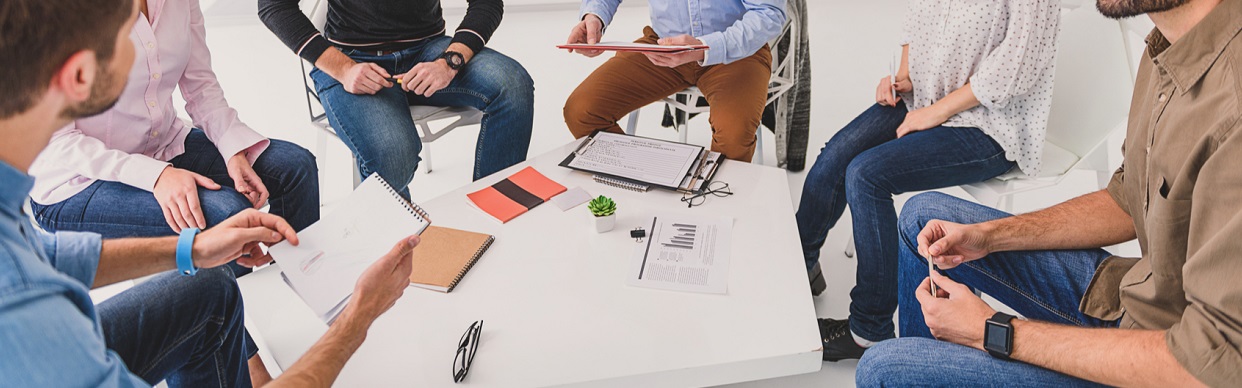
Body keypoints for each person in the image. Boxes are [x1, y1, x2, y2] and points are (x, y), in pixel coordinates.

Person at [0, 1, 421, 386]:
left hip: (163, 143)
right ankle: (253, 360)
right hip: (83, 180)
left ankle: (297, 299)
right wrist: (359, 318)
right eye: (124, 31)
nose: (143, 43)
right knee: (223, 212)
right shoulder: (35, 332)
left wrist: (192, 250)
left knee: (277, 189)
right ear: (80, 76)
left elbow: (49, 258)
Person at [856, 0, 1242, 386]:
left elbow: (1209, 365)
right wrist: (989, 237)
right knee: (924, 218)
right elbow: (1126, 198)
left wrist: (992, 330)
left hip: (1163, 365)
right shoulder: (1167, 46)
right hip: (1134, 300)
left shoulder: (1232, 107)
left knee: (883, 369)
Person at [799, 0, 1061, 362]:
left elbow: (1014, 70)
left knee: (865, 175)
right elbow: (917, 22)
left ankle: (868, 330)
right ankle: (800, 267)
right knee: (834, 159)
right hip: (921, 99)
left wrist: (934, 113)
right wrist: (903, 76)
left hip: (988, 125)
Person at [28, 0, 320, 278]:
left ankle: (302, 292)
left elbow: (201, 84)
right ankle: (236, 319)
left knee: (296, 167)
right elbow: (57, 142)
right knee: (228, 216)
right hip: (76, 181)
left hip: (161, 144)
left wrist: (232, 148)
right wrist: (157, 177)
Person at [258, 0, 534, 198]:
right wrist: (343, 68)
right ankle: (398, 247)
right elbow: (274, 6)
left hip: (428, 51)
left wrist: (449, 62)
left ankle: (495, 207)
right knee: (392, 155)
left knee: (513, 86)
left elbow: (487, 4)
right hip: (350, 59)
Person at [562, 0, 787, 162]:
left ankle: (714, 206)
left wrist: (706, 47)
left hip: (736, 52)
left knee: (734, 137)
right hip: (661, 47)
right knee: (582, 111)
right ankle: (654, 177)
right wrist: (594, 17)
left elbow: (769, 13)